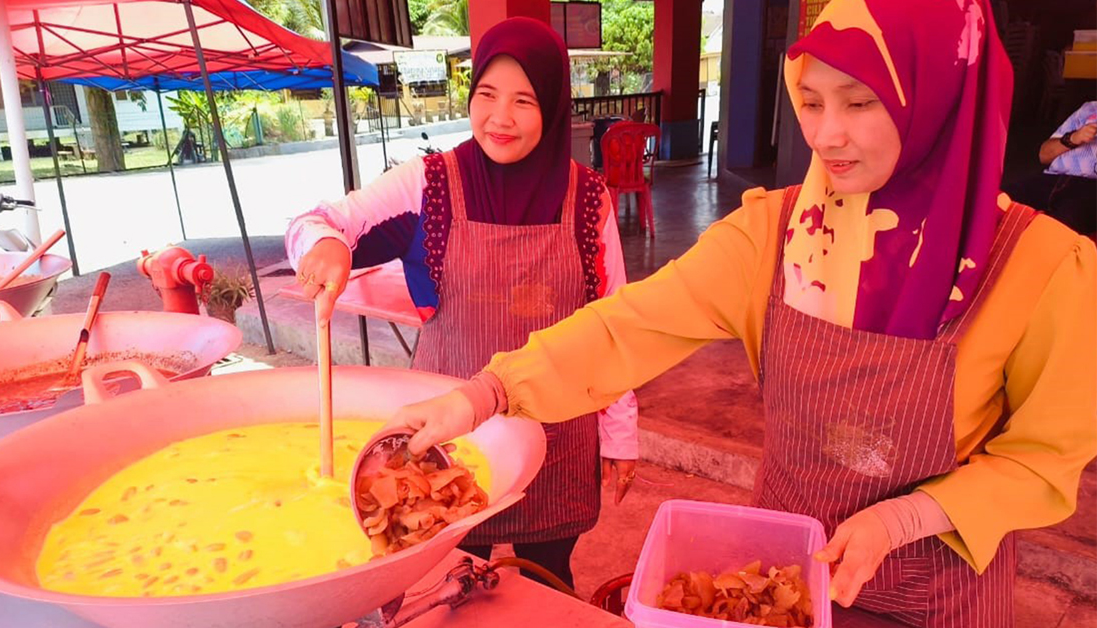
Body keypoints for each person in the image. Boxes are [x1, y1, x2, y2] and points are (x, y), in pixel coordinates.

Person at [387, 1, 1097, 626]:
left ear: (941, 97)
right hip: (778, 575)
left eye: (860, 103)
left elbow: (1043, 460)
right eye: (812, 101)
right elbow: (627, 324)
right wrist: (486, 393)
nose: (825, 135)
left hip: (938, 592)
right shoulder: (775, 237)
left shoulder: (1041, 267)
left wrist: (910, 515)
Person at [286, 18, 639, 589]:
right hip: (447, 442)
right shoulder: (427, 184)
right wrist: (324, 245)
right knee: (448, 582)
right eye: (487, 95)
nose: (501, 117)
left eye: (524, 100)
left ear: (552, 105)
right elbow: (318, 221)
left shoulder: (589, 198)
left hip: (561, 436)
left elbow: (612, 325)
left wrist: (621, 435)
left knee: (545, 579)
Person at [1006, 101, 1096, 236]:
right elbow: (1044, 155)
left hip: (1089, 187)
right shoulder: (1089, 108)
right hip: (1050, 178)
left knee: (1056, 230)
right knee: (998, 202)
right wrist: (1073, 138)